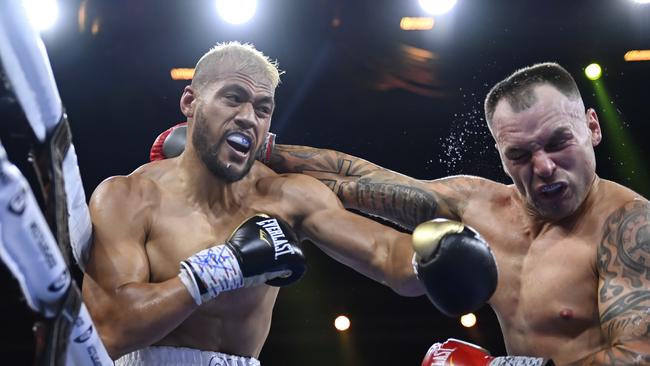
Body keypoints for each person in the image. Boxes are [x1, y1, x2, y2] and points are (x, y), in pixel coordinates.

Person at [267, 63, 650, 365]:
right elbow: (359, 181)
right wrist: (260, 156)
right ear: (501, 157)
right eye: (519, 154)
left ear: (593, 127)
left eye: (557, 143)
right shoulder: (480, 207)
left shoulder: (628, 227)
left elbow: (639, 354)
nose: (544, 167)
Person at [80, 41, 435, 365]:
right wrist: (219, 270)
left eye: (263, 109)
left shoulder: (285, 195)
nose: (249, 117)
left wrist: (442, 254)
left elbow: (388, 255)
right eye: (233, 98)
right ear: (190, 102)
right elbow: (108, 331)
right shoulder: (128, 197)